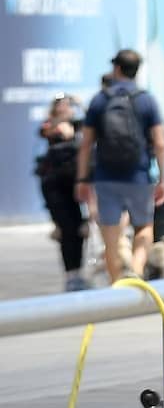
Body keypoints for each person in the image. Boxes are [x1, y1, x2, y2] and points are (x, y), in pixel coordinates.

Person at [77, 50, 164, 285]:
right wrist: (163, 179)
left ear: (117, 69)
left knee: (110, 236)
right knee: (144, 227)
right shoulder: (146, 100)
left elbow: (86, 144)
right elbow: (159, 143)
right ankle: (136, 273)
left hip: (106, 177)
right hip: (138, 176)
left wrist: (82, 179)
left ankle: (117, 286)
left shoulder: (100, 100)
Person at [37, 96, 87, 291]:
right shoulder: (50, 125)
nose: (65, 107)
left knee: (79, 229)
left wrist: (77, 103)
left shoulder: (77, 123)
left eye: (67, 104)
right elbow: (45, 131)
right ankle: (70, 275)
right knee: (66, 230)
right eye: (61, 104)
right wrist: (59, 121)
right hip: (54, 184)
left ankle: (78, 273)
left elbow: (91, 119)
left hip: (73, 182)